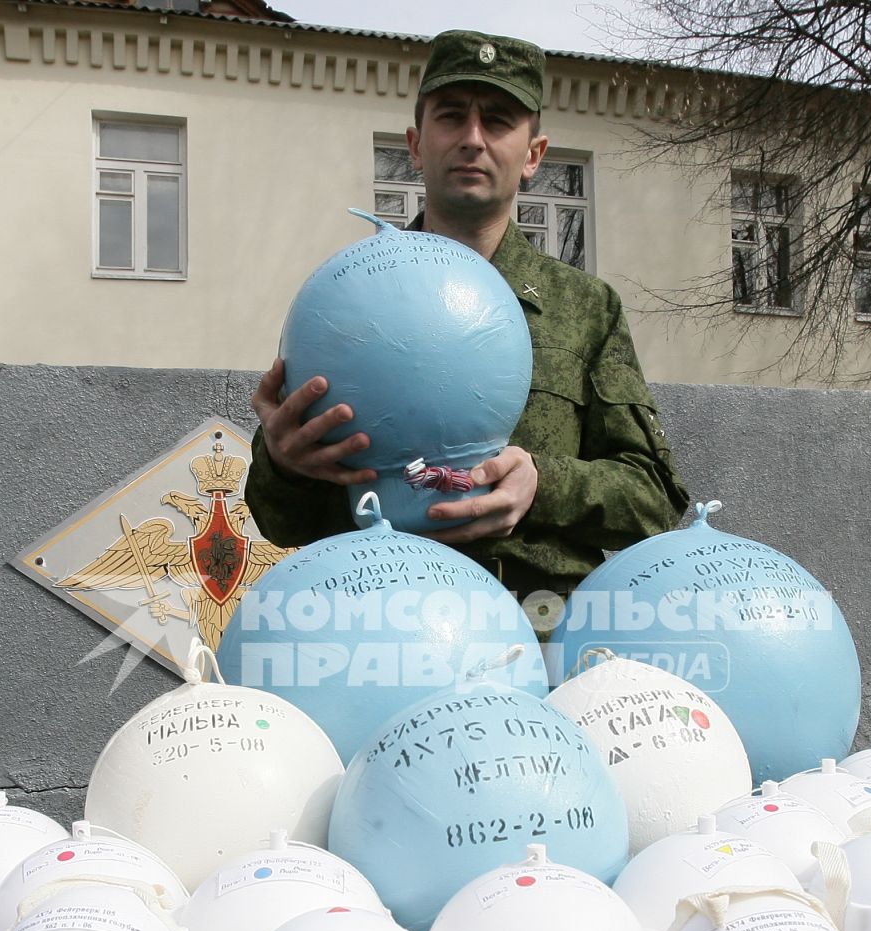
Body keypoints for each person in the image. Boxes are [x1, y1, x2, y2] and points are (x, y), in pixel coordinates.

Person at [244, 28, 689, 608]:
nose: (472, 140)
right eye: (451, 117)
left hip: (537, 629)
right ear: (415, 143)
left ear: (534, 155)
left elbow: (654, 497)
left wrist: (543, 484)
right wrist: (285, 464)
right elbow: (280, 524)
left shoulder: (583, 307)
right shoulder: (346, 300)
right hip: (372, 623)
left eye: (499, 120)